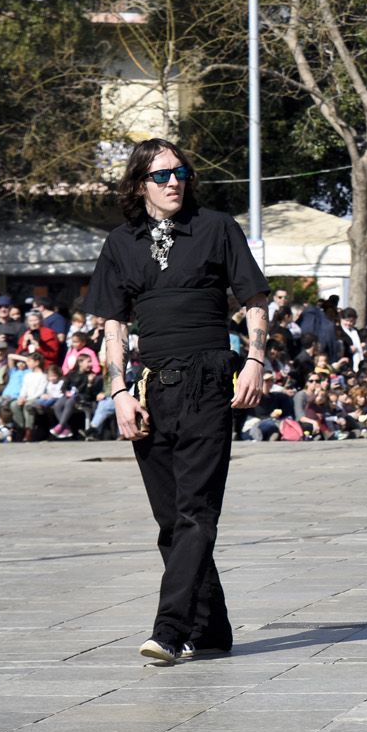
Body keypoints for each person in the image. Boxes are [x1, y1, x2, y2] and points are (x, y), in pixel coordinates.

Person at [84, 138, 269, 664]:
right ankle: (210, 630)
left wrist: (255, 361)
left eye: (180, 173)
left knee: (195, 513)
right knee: (170, 521)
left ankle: (169, 630)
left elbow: (255, 300)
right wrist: (118, 392)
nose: (174, 182)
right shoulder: (121, 242)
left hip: (208, 381)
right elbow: (114, 325)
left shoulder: (216, 227)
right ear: (139, 183)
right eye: (162, 174)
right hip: (150, 388)